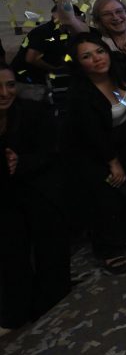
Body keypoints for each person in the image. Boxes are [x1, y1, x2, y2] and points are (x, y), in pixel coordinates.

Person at [66, 32, 126, 273]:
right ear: (79, 63)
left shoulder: (120, 72)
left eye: (100, 51)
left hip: (123, 142)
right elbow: (92, 134)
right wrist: (112, 161)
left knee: (125, 193)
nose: (97, 59)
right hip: (93, 152)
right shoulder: (80, 94)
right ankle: (108, 250)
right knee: (105, 200)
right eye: (87, 56)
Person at [0, 64, 70, 335]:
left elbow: (52, 151)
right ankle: (16, 311)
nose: (5, 93)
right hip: (7, 197)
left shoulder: (32, 112)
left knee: (49, 250)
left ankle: (52, 305)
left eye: (10, 85)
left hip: (39, 188)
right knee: (11, 255)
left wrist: (21, 162)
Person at [9, 5, 83, 103]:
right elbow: (31, 58)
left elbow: (60, 54)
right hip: (27, 82)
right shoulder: (44, 32)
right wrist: (54, 69)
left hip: (41, 81)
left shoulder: (64, 33)